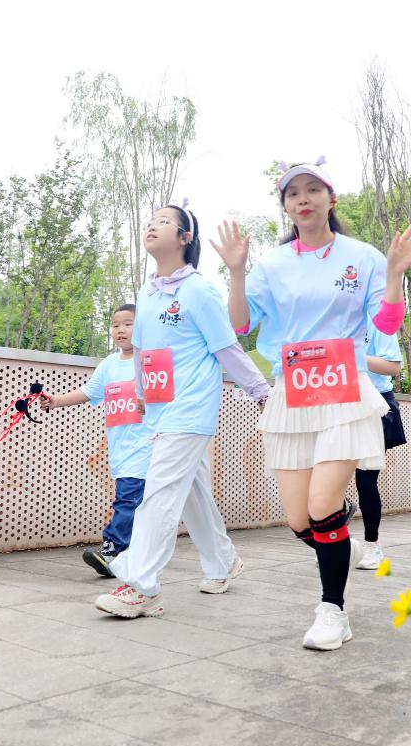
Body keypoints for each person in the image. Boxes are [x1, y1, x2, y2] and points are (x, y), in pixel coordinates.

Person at [213, 157, 411, 651]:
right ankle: (337, 536)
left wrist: (394, 275)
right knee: (300, 519)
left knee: (321, 505)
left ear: (331, 199)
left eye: (313, 189)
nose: (303, 199)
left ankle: (333, 610)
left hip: (345, 390)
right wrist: (237, 273)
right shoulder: (272, 264)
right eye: (293, 193)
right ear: (286, 206)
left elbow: (387, 325)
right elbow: (241, 324)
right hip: (293, 393)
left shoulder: (363, 256)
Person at [94, 202, 271, 618]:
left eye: (164, 222)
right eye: (151, 221)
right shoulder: (147, 293)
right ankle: (223, 561)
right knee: (193, 494)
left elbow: (226, 347)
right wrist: (141, 393)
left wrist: (262, 391)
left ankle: (142, 586)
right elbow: (142, 351)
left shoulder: (199, 291)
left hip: (191, 409)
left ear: (184, 238)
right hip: (159, 409)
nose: (152, 226)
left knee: (158, 493)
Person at [41, 305, 151, 577]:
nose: (120, 330)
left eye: (128, 324)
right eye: (115, 325)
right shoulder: (109, 365)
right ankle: (136, 555)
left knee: (127, 500)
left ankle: (112, 551)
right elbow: (89, 391)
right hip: (120, 448)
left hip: (147, 446)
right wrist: (56, 401)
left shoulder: (149, 361)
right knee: (138, 504)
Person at [354, 323, 407, 569]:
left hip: (375, 402)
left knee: (365, 480)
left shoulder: (377, 321)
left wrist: (348, 355)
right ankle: (334, 542)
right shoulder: (332, 316)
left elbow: (393, 367)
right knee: (330, 479)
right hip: (338, 401)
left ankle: (372, 545)